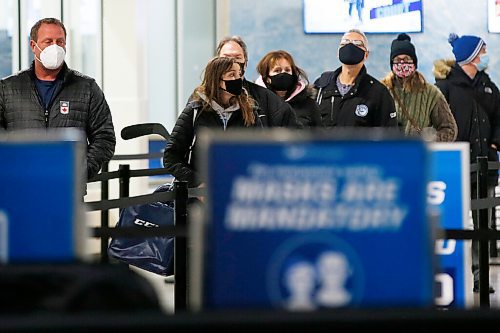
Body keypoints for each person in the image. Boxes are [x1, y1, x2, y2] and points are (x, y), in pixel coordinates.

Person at [0, 18, 115, 182]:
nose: (55, 47)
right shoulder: (7, 88)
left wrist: (80, 171)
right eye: (48, 41)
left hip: (68, 190)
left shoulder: (86, 88)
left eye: (60, 42)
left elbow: (105, 137)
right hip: (18, 188)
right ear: (34, 46)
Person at [433, 33, 500, 293]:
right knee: (451, 222)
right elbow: (437, 123)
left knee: (484, 224)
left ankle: (479, 275)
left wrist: (495, 143)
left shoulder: (487, 85)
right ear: (469, 56)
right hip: (455, 167)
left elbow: (499, 118)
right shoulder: (446, 86)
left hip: (485, 167)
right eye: (481, 52)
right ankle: (447, 274)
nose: (484, 56)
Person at [163, 56, 263, 188]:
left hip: (239, 191)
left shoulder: (249, 112)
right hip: (199, 195)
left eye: (239, 74)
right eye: (231, 75)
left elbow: (261, 153)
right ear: (216, 80)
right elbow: (171, 158)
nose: (238, 79)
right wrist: (197, 182)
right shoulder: (194, 111)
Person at [314, 29, 398, 128]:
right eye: (344, 43)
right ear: (338, 52)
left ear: (366, 54)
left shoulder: (378, 92)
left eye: (357, 44)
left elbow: (388, 135)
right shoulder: (322, 86)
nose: (349, 46)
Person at [381, 33, 457, 142]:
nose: (402, 64)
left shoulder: (431, 93)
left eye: (407, 59)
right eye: (397, 60)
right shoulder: (382, 91)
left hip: (419, 155)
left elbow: (449, 129)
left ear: (414, 63)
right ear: (392, 64)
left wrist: (429, 139)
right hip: (388, 154)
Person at [216, 36, 300, 128]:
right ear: (215, 63)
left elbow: (295, 134)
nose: (232, 63)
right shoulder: (204, 100)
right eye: (226, 58)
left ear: (246, 63)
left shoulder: (269, 101)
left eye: (237, 58)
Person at [255, 50, 322, 128]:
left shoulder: (308, 104)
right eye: (277, 70)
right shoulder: (256, 104)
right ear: (266, 78)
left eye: (287, 70)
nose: (283, 73)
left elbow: (320, 135)